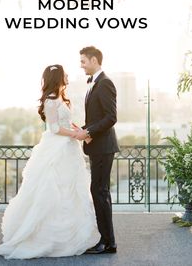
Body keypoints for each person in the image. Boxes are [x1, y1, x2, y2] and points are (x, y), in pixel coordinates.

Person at [0, 64, 99, 259]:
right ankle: (45, 238)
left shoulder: (62, 98)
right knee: (52, 189)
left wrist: (81, 131)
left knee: (68, 190)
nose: (68, 75)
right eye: (65, 73)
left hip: (68, 149)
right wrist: (78, 135)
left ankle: (67, 236)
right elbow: (54, 129)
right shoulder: (50, 101)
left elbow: (66, 123)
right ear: (59, 77)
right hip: (56, 148)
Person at [74, 46, 119, 254]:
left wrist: (89, 131)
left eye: (83, 61)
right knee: (99, 191)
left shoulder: (105, 83)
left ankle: (108, 242)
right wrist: (83, 130)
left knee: (100, 192)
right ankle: (107, 240)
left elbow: (111, 117)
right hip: (97, 147)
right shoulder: (95, 84)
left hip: (103, 147)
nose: (81, 65)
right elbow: (97, 118)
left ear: (94, 60)